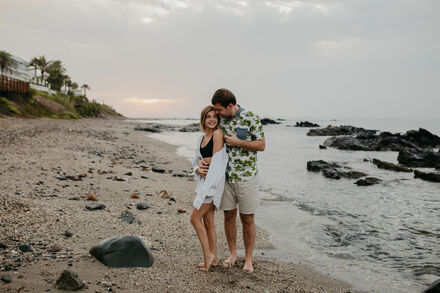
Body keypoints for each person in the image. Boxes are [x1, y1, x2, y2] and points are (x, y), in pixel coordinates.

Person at [199, 88, 265, 273]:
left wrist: (239, 142)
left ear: (229, 106)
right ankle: (233, 254)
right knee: (228, 216)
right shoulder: (221, 122)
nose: (217, 114)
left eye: (219, 110)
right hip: (226, 178)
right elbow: (208, 143)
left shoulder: (251, 117)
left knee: (247, 219)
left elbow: (261, 145)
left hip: (247, 177)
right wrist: (198, 162)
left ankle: (249, 260)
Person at [190, 105, 228, 271]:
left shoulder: (218, 134)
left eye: (215, 116)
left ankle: (207, 255)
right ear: (203, 119)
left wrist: (202, 162)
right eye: (208, 116)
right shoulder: (202, 138)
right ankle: (214, 258)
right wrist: (198, 166)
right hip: (204, 182)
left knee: (194, 218)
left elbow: (218, 160)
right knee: (208, 221)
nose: (212, 119)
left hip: (212, 184)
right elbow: (195, 161)